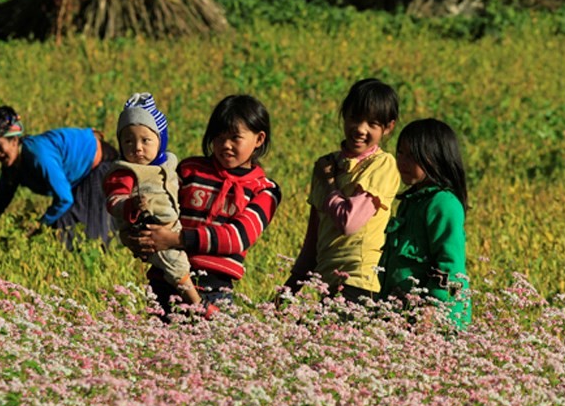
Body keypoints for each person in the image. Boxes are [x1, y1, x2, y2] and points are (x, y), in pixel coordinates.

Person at [123, 94, 281, 318]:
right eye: (219, 137)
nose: (225, 145)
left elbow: (237, 238)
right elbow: (160, 207)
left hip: (215, 290)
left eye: (235, 138)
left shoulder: (264, 189)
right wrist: (139, 236)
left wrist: (175, 239)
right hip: (164, 282)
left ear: (259, 139)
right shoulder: (189, 170)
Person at [283, 78, 401, 304]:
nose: (360, 129)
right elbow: (313, 238)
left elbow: (349, 222)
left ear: (388, 128)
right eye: (354, 118)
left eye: (372, 124)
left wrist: (329, 183)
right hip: (326, 283)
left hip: (359, 282)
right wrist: (290, 287)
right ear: (344, 115)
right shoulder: (326, 165)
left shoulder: (382, 164)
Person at [103, 93, 201, 306]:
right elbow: (113, 201)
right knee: (175, 265)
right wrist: (131, 205)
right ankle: (198, 304)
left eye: (145, 140)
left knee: (182, 261)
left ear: (160, 141)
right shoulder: (125, 172)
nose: (137, 147)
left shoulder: (168, 163)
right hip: (149, 230)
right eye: (128, 141)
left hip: (173, 225)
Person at [0, 106, 118, 247]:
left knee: (72, 232)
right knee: (60, 228)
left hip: (101, 167)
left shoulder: (38, 156)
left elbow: (64, 198)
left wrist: (40, 224)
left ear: (14, 141)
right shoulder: (12, 168)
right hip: (79, 177)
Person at [378, 118, 471, 329]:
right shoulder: (410, 202)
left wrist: (432, 309)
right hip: (402, 315)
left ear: (437, 158)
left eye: (412, 156)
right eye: (400, 152)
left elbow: (450, 264)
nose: (402, 161)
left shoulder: (443, 204)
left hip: (434, 321)